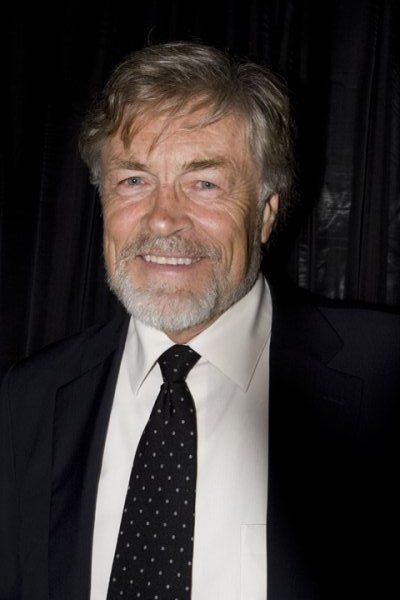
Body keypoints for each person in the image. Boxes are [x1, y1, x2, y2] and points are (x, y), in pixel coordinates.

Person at [0, 42, 398, 600]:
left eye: (204, 183)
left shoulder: (385, 380)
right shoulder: (29, 400)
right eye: (133, 181)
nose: (163, 219)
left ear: (265, 214)